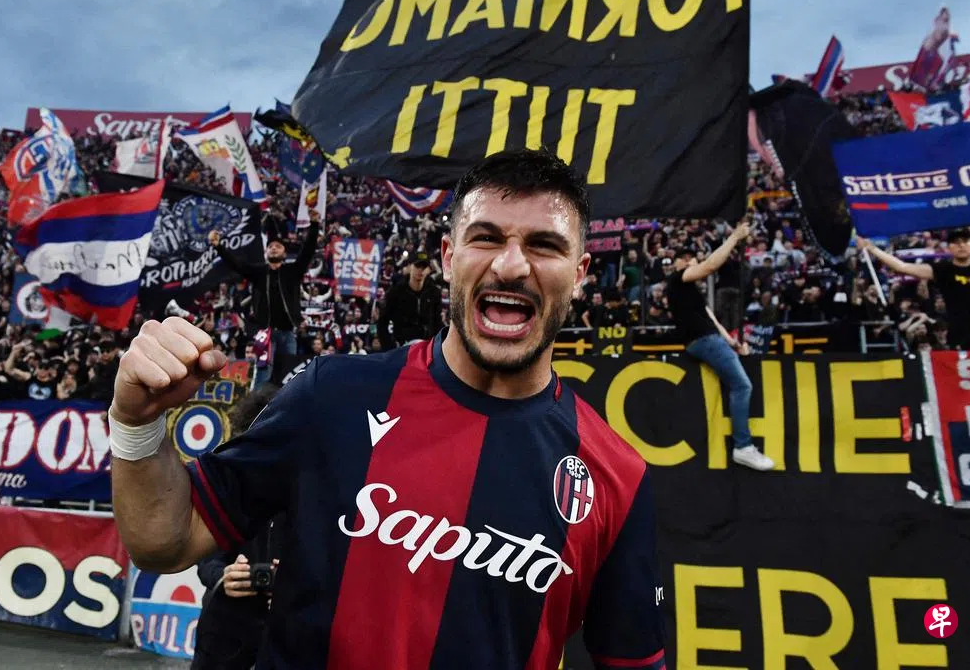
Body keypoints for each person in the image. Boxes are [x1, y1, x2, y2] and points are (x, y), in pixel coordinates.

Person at [109, 149, 664, 670]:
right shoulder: (329, 395)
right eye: (486, 237)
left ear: (581, 273)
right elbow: (164, 540)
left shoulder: (618, 477)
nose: (512, 265)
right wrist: (136, 423)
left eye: (544, 245)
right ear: (448, 257)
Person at [667, 222, 775, 471]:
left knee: (736, 384)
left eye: (691, 257)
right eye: (685, 258)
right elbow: (710, 266)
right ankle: (743, 446)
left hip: (708, 339)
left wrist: (732, 343)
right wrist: (734, 237)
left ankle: (743, 446)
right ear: (678, 263)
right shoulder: (677, 279)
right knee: (742, 385)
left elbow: (713, 320)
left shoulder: (690, 292)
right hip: (704, 340)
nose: (690, 261)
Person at [192, 384, 283, 670]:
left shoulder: (312, 493)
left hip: (284, 628)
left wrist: (294, 583)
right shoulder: (230, 486)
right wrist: (225, 576)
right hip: (226, 627)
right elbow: (205, 559)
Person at [209, 211, 320, 374]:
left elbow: (308, 250)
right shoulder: (258, 272)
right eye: (270, 247)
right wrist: (218, 246)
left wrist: (315, 224)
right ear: (266, 252)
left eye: (278, 247)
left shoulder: (293, 271)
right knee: (264, 374)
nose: (274, 248)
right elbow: (236, 264)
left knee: (288, 375)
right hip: (265, 333)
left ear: (284, 253)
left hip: (288, 332)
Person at [858, 230, 970, 351]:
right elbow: (902, 266)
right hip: (961, 331)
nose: (961, 245)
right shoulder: (942, 269)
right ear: (949, 248)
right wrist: (872, 248)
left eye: (966, 241)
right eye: (956, 242)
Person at [377, 250, 442, 348]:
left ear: (429, 270)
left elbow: (437, 322)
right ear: (410, 266)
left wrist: (437, 346)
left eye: (424, 267)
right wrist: (389, 347)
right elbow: (382, 322)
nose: (420, 270)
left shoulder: (434, 293)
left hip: (428, 347)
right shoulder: (396, 292)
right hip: (402, 346)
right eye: (417, 266)